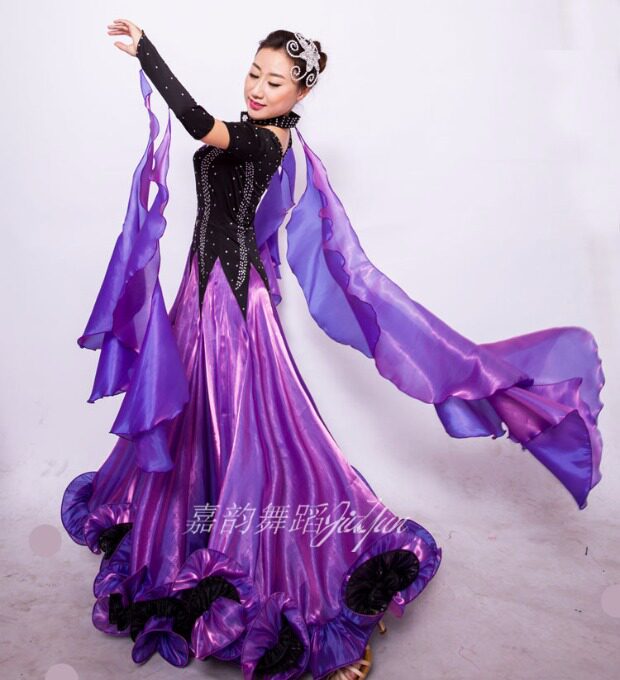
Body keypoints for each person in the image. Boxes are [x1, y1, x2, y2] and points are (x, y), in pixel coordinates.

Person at [60, 17, 605, 680]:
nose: (259, 88)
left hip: (231, 307)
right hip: (200, 298)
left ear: (301, 93)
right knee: (196, 422)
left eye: (275, 81)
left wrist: (147, 54)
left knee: (256, 433)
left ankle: (300, 573)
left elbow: (200, 125)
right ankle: (196, 531)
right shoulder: (254, 131)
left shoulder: (267, 140)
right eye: (254, 73)